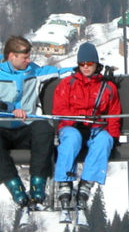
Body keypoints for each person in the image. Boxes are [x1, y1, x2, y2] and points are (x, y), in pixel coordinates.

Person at [0, 35, 71, 209]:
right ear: (12, 56)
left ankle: (38, 185)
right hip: (0, 127)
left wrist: (85, 68)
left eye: (29, 57)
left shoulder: (33, 71)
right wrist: (10, 109)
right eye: (25, 57)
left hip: (26, 127)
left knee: (43, 129)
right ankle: (15, 187)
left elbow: (60, 72)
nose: (28, 61)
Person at [52, 42, 122, 212]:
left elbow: (114, 113)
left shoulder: (107, 87)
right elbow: (59, 109)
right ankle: (65, 181)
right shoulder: (68, 84)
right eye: (82, 64)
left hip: (95, 128)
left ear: (96, 64)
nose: (85, 67)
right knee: (71, 139)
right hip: (72, 126)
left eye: (89, 64)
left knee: (103, 140)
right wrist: (74, 120)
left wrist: (113, 136)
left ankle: (86, 184)